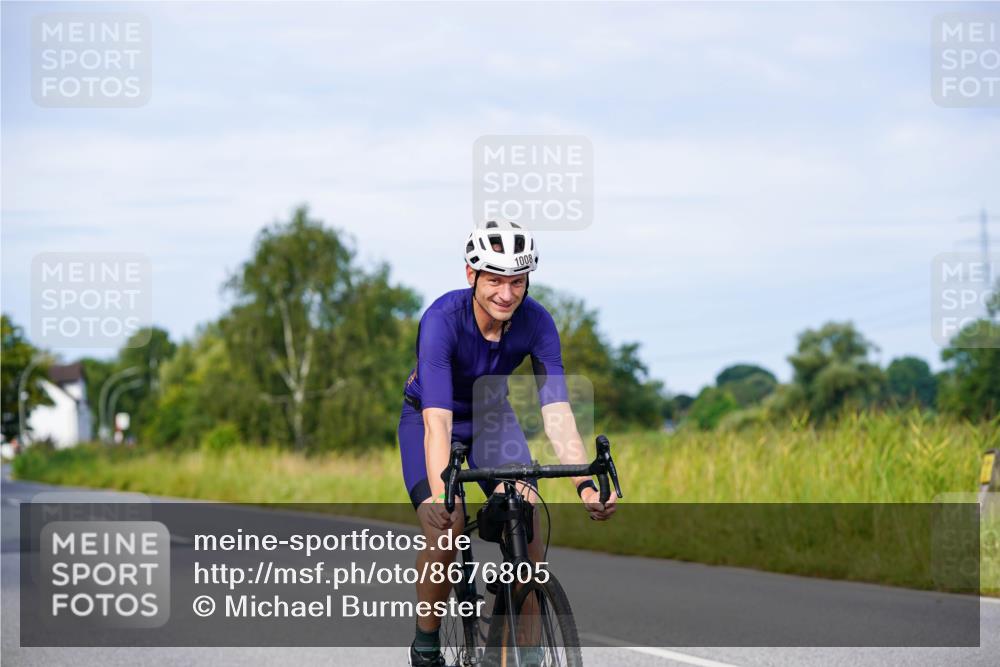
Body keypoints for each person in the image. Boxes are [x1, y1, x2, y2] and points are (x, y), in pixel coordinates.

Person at [398, 220, 617, 666]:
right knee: (447, 527)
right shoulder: (442, 320)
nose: (506, 293)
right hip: (431, 419)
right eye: (494, 279)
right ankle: (426, 643)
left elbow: (557, 413)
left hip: (493, 418)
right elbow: (438, 423)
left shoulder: (537, 322)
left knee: (529, 516)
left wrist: (585, 487)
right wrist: (444, 495)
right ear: (470, 275)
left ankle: (528, 654)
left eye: (517, 281)